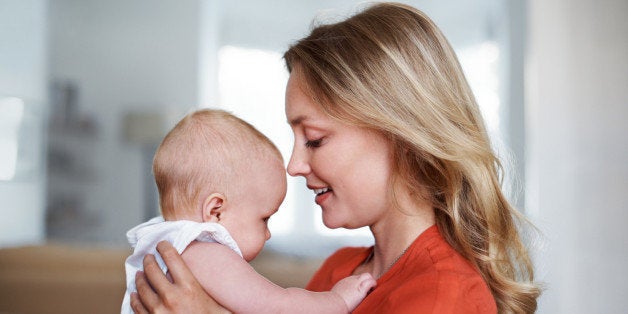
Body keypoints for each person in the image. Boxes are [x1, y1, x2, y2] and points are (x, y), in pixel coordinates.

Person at [131, 3, 541, 313]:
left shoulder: (443, 293)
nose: (293, 166)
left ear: (400, 135)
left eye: (314, 140)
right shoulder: (338, 274)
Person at [121, 109, 376, 314]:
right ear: (216, 211)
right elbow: (277, 305)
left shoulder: (167, 244)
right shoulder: (205, 254)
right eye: (264, 218)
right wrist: (338, 301)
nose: (267, 234)